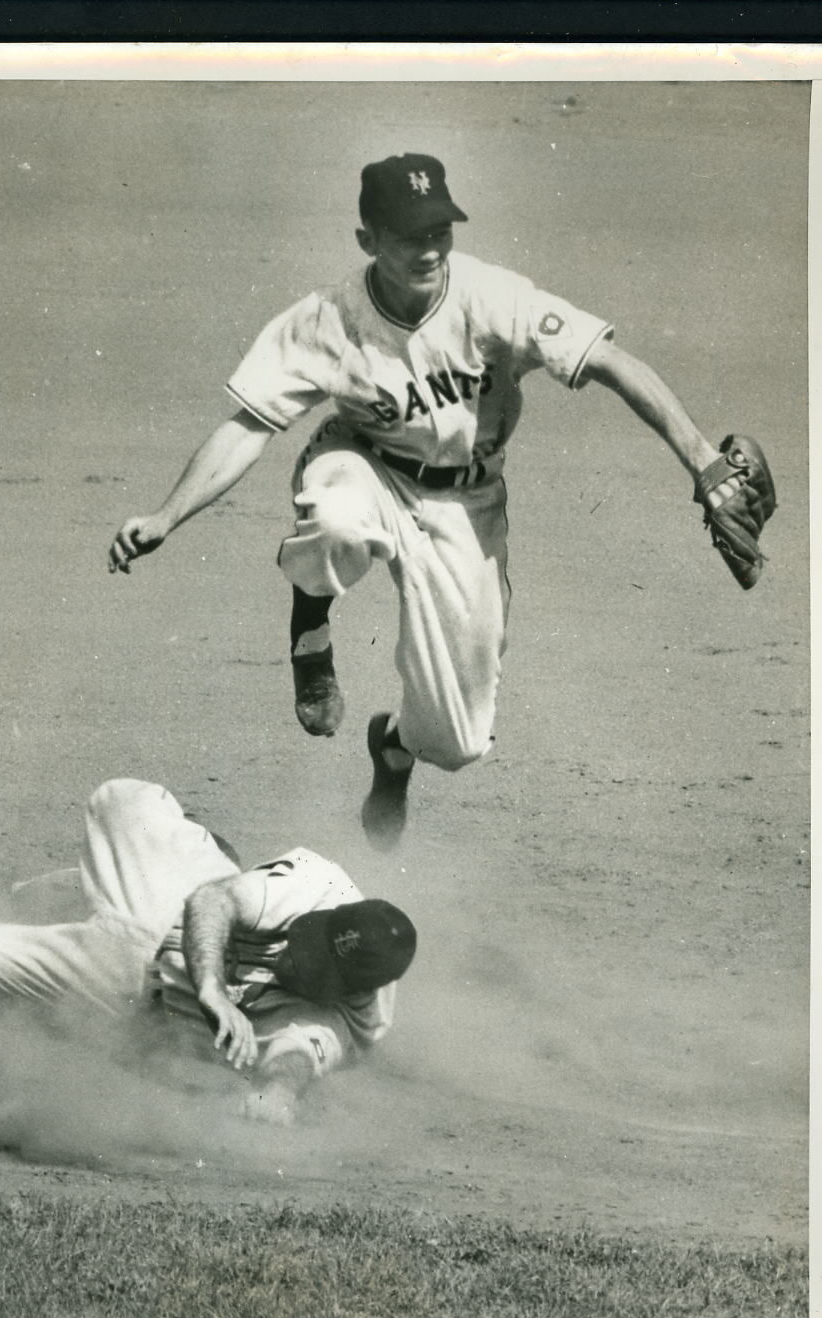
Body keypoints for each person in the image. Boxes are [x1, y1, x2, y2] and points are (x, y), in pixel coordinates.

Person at [108, 152, 746, 849]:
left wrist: (704, 461)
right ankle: (310, 636)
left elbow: (612, 363)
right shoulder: (324, 320)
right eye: (409, 234)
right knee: (333, 518)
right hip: (364, 467)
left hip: (467, 507)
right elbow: (247, 426)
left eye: (439, 230)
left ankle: (394, 749)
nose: (429, 248)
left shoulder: (494, 297)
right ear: (368, 241)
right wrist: (166, 515)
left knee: (460, 740)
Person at [0, 778, 417, 1125]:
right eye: (302, 944)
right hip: (175, 907)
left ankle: (80, 909)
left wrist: (275, 1099)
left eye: (308, 971)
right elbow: (212, 900)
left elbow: (295, 1060)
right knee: (123, 800)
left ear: (346, 991)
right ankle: (193, 858)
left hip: (133, 999)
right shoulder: (319, 886)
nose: (290, 960)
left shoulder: (354, 1021)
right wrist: (212, 987)